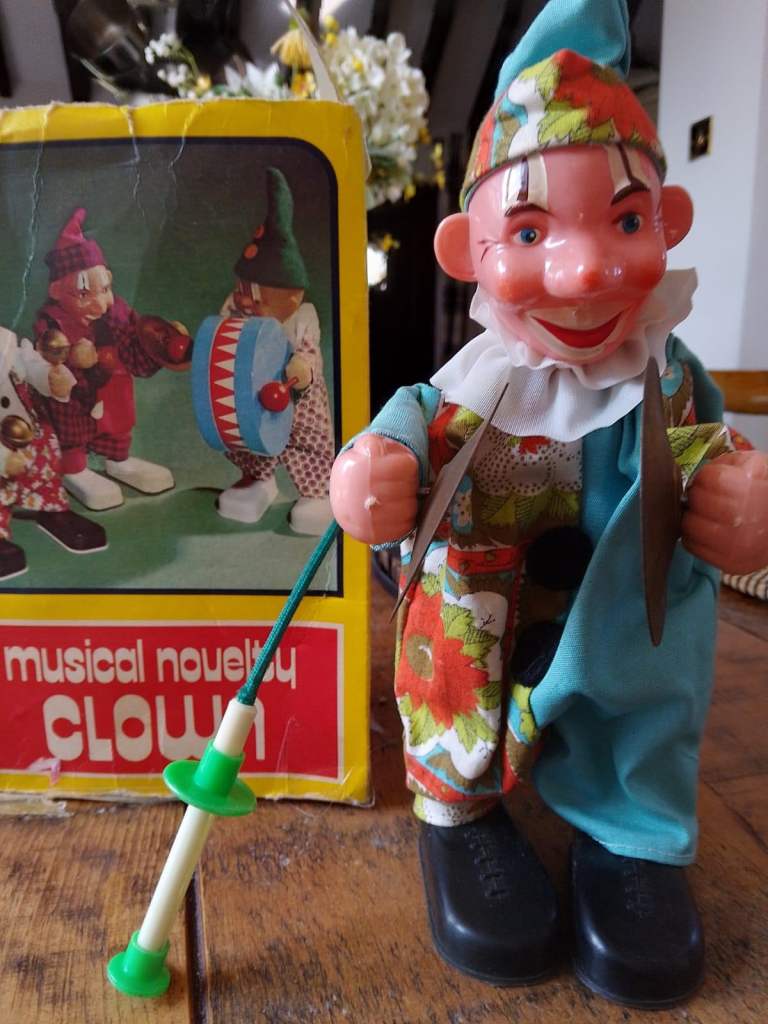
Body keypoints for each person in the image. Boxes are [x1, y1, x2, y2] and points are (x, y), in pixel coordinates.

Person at [329, 0, 768, 1008]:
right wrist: (370, 477)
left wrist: (741, 499)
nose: (584, 269)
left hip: (618, 633)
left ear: (668, 223)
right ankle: (459, 808)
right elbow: (397, 434)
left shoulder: (668, 378)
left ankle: (631, 823)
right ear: (465, 251)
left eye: (625, 221)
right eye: (529, 231)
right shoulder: (463, 389)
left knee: (656, 666)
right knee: (453, 676)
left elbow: (710, 446)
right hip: (482, 633)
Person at [33, 208, 191, 511]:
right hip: (74, 394)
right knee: (70, 423)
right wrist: (71, 359)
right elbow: (46, 355)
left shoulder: (116, 311)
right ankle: (74, 469)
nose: (99, 303)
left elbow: (135, 343)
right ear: (57, 291)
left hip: (111, 388)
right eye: (84, 295)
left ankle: (118, 460)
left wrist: (162, 344)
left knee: (119, 414)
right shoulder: (52, 322)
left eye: (104, 289)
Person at [216, 167, 334, 536]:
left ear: (291, 297)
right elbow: (223, 341)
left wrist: (300, 369)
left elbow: (308, 359)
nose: (244, 301)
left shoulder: (301, 320)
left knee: (308, 442)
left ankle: (317, 494)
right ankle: (259, 480)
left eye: (256, 296)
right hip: (252, 397)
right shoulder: (235, 311)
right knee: (249, 439)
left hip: (298, 402)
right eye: (242, 290)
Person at [0, 327, 105, 578]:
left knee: (44, 444)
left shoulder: (4, 340)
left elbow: (24, 360)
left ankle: (51, 508)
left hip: (19, 425)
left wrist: (49, 377)